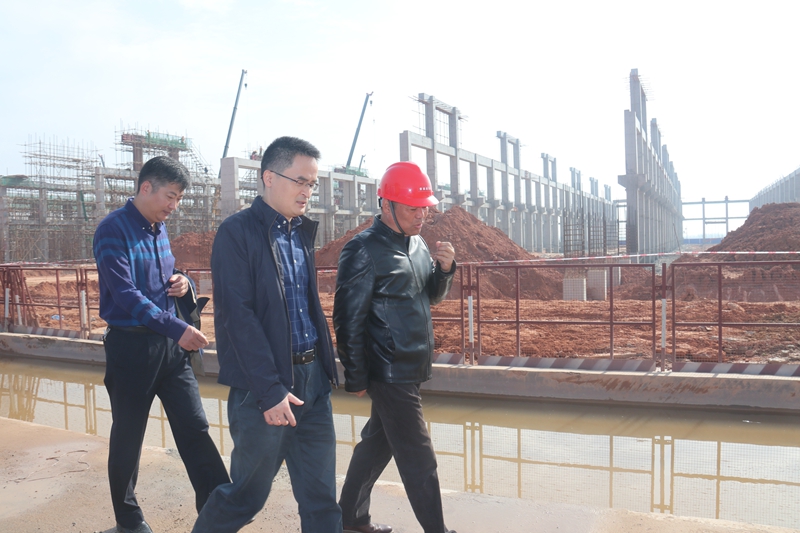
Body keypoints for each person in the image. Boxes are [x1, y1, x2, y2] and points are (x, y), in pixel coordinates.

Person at [192, 136, 341, 533]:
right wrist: (270, 391)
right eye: (300, 181)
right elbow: (237, 318)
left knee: (322, 499)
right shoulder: (237, 233)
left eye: (312, 184)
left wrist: (327, 372)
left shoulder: (299, 234)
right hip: (266, 386)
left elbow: (306, 309)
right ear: (269, 178)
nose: (307, 192)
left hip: (313, 383)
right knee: (246, 496)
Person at [94, 156, 230, 533]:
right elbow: (125, 294)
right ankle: (129, 521)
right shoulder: (112, 230)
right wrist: (176, 327)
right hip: (131, 349)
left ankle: (219, 505)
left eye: (179, 198)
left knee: (194, 425)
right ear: (145, 188)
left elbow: (164, 275)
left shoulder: (159, 228)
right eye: (170, 196)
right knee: (129, 436)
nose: (175, 205)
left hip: (170, 350)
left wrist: (183, 281)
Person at [334, 162, 458, 533]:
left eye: (425, 209)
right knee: (419, 456)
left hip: (412, 364)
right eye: (412, 208)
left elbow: (429, 296)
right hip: (388, 369)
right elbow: (347, 319)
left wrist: (444, 271)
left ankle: (350, 519)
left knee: (378, 444)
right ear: (386, 205)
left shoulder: (417, 244)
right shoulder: (362, 250)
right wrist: (356, 376)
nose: (422, 216)